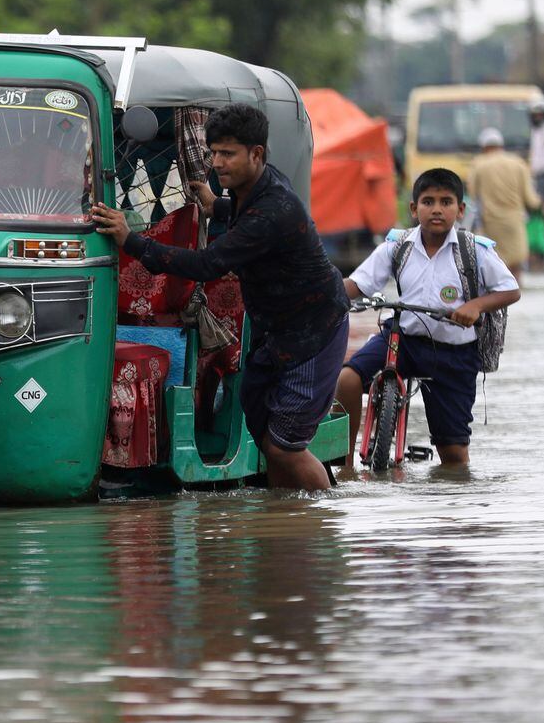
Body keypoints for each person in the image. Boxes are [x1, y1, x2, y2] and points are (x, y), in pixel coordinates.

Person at [90, 103, 349, 490]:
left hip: (314, 331)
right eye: (212, 152)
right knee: (264, 434)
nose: (216, 162)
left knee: (286, 447)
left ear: (256, 154)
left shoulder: (273, 210)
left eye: (227, 153)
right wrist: (218, 205)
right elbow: (241, 212)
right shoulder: (253, 190)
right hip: (275, 331)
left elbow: (208, 264)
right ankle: (284, 524)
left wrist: (132, 240)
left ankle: (323, 524)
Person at [335, 168, 521, 468]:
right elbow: (356, 285)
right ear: (414, 208)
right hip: (403, 341)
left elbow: (511, 290)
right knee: (347, 378)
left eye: (446, 202)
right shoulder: (398, 246)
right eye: (428, 201)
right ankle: (343, 465)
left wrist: (475, 306)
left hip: (455, 354)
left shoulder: (474, 250)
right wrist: (320, 292)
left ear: (460, 210)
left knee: (454, 456)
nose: (437, 209)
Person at [468, 126, 540, 282]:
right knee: (516, 263)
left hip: (491, 222)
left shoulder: (479, 164)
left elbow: (473, 194)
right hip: (515, 221)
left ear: (484, 147)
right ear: (501, 145)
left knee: (496, 265)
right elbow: (531, 199)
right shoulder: (518, 163)